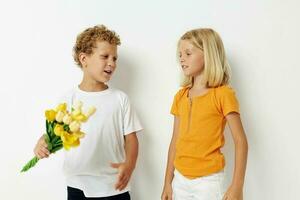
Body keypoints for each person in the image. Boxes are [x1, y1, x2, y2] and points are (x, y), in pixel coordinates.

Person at [34, 25, 142, 200]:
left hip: (114, 187)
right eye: (105, 56)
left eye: (115, 58)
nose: (112, 63)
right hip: (78, 185)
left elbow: (131, 139)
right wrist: (42, 143)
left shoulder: (120, 99)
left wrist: (129, 165)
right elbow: (55, 132)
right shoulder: (67, 99)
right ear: (84, 59)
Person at [161, 28, 248, 200]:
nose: (181, 58)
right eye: (180, 54)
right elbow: (174, 142)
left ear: (208, 54)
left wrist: (237, 186)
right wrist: (167, 183)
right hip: (180, 179)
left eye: (188, 53)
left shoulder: (223, 94)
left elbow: (241, 141)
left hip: (209, 181)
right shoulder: (180, 96)